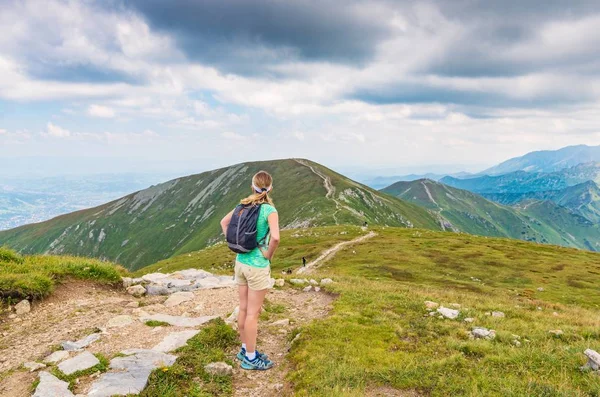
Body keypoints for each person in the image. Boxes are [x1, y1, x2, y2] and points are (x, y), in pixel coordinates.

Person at [220, 170, 280, 370]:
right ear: (270, 188)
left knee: (244, 308)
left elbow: (224, 222)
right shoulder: (269, 210)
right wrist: (268, 255)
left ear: (252, 186)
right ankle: (252, 359)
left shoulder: (242, 204)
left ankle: (245, 349)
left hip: (240, 263)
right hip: (257, 267)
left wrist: (234, 243)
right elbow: (276, 238)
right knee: (253, 313)